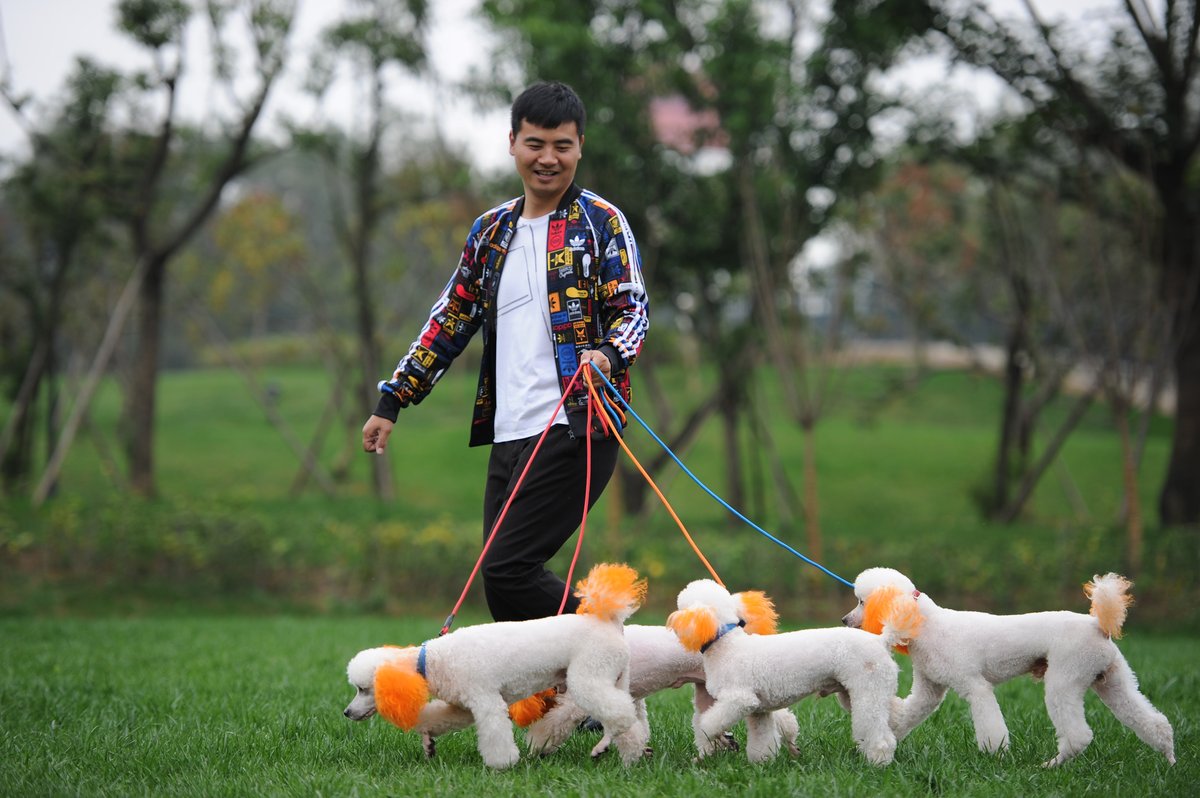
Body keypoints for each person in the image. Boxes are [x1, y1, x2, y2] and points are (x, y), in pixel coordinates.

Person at [362, 80, 649, 622]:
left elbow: (633, 309)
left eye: (562, 146)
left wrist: (608, 354)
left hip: (577, 423)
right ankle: (572, 705)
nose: (548, 159)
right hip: (509, 429)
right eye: (535, 144)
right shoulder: (491, 232)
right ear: (512, 142)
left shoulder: (601, 222)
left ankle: (613, 653)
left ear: (580, 146)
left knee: (507, 568)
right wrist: (393, 399)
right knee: (505, 593)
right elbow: (450, 318)